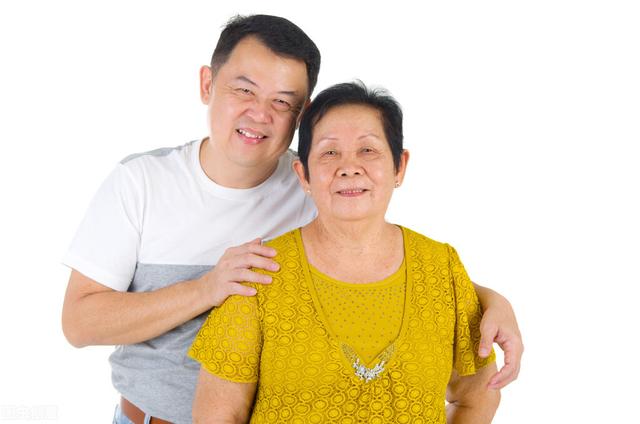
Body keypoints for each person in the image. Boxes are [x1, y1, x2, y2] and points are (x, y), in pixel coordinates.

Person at [61, 14, 521, 424]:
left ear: (301, 115)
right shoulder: (141, 182)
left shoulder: (318, 183)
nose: (260, 114)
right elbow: (79, 323)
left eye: (283, 102)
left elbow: (389, 264)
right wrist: (206, 288)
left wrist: (492, 301)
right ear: (207, 84)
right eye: (244, 90)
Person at [190, 81, 501, 423]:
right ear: (304, 175)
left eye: (368, 150)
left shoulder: (441, 267)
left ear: (399, 167)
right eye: (329, 153)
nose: (349, 167)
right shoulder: (259, 274)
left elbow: (478, 396)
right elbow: (218, 415)